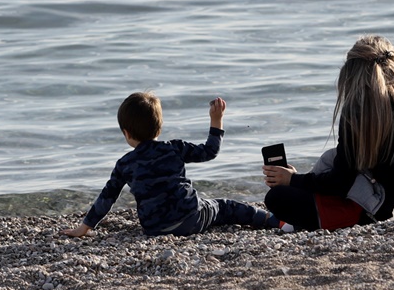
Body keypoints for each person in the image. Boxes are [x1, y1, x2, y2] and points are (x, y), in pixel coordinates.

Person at [263, 35, 394, 231]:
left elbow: (339, 182)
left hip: (392, 211)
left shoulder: (359, 109)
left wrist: (292, 179)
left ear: (350, 72)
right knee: (332, 157)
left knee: (277, 197)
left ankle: (323, 216)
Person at [62, 92, 284, 237]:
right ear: (159, 128)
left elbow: (107, 198)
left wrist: (85, 227)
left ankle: (271, 220)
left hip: (154, 228)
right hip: (190, 218)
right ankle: (273, 221)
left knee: (210, 205)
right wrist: (216, 122)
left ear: (126, 133)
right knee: (224, 206)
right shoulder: (173, 148)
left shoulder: (125, 163)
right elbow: (210, 152)